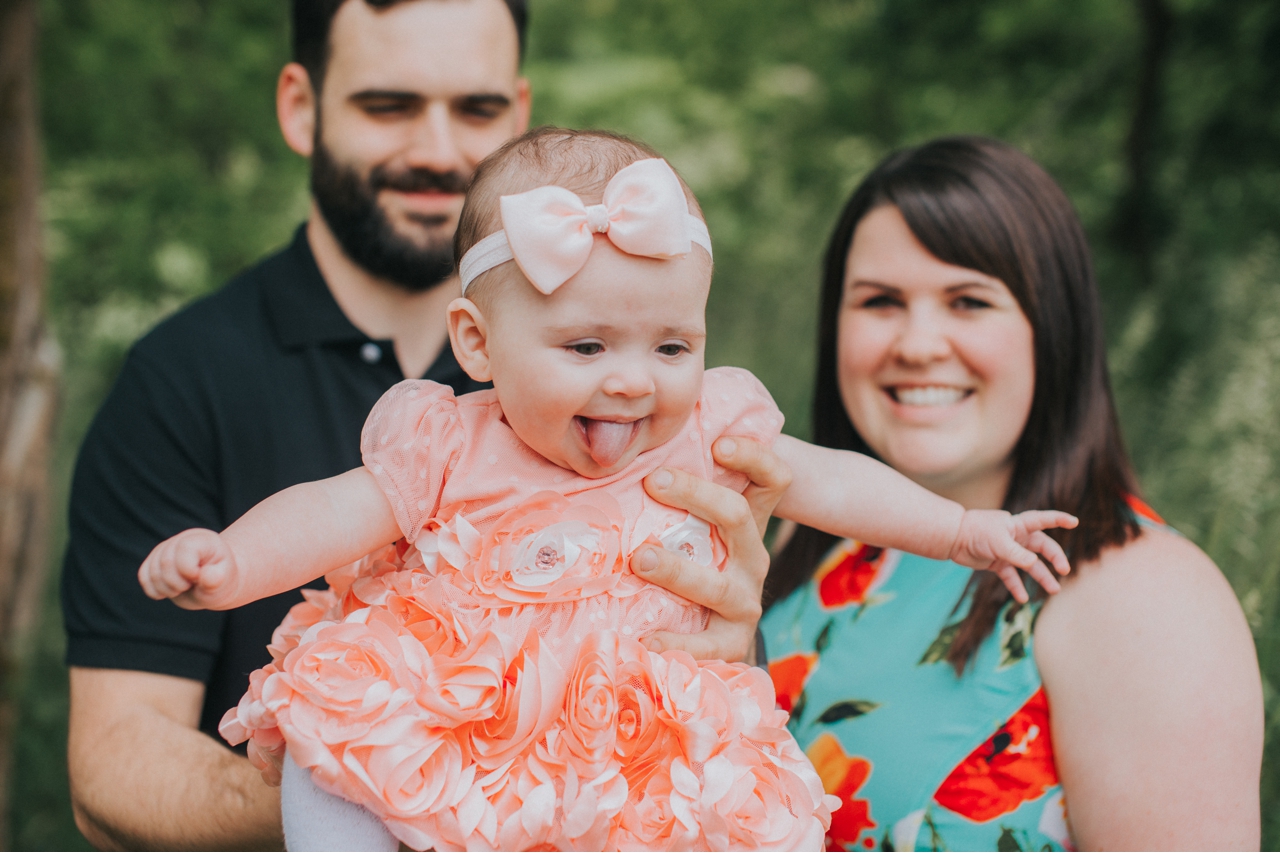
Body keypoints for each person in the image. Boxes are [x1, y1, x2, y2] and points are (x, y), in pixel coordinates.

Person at [139, 128, 1077, 851]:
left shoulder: (709, 429)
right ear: (478, 344)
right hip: (463, 703)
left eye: (671, 345)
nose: (632, 380)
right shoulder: (450, 443)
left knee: (716, 812)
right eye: (585, 346)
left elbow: (832, 479)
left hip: (634, 740)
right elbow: (334, 510)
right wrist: (233, 562)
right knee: (338, 753)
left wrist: (961, 529)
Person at [61, 3, 787, 849]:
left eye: (476, 109)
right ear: (300, 105)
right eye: (390, 104)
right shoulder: (182, 375)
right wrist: (390, 781)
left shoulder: (627, 390)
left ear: (519, 112)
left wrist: (725, 654)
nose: (439, 150)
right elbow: (112, 766)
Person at [760, 136, 1264, 851]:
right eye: (880, 301)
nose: (918, 344)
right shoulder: (808, 535)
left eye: (968, 301)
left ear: (1052, 329)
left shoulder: (1146, 599)